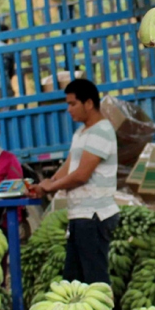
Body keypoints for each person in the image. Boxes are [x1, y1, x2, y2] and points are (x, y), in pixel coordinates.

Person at [32, 79, 120, 287]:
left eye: (72, 104)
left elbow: (81, 175)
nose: (68, 109)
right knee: (73, 279)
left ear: (88, 103)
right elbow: (70, 165)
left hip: (94, 215)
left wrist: (51, 187)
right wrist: (47, 182)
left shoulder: (101, 131)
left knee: (95, 278)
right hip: (80, 215)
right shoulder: (81, 133)